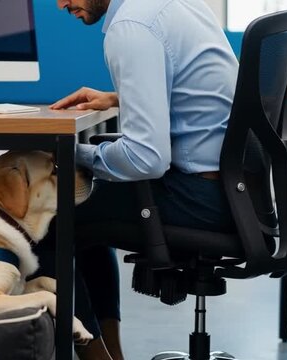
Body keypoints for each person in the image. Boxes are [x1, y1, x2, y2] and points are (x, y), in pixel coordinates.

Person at [29, 0, 240, 359]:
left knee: (44, 221)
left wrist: (63, 153)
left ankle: (97, 357)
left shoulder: (132, 26)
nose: (61, 3)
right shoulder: (175, 4)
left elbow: (147, 159)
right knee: (87, 208)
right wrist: (121, 98)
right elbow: (195, 96)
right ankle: (111, 354)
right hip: (235, 194)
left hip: (198, 197)